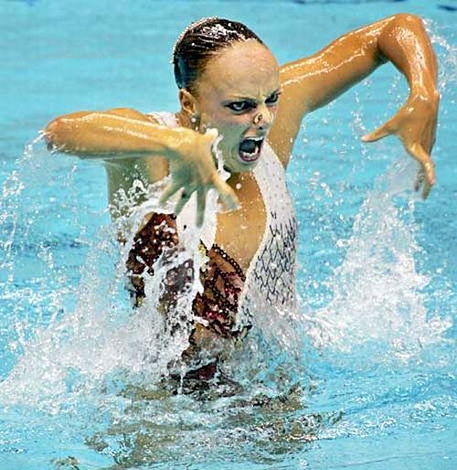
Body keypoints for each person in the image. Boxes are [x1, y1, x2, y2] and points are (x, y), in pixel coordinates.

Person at [44, 14, 439, 391]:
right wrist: (174, 142)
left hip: (275, 393)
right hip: (167, 407)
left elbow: (393, 30)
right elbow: (62, 133)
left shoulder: (269, 132)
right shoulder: (149, 157)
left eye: (272, 98)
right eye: (240, 106)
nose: (264, 118)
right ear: (189, 104)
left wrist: (424, 93)